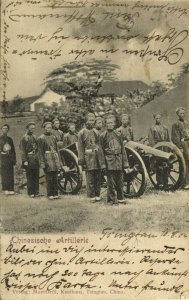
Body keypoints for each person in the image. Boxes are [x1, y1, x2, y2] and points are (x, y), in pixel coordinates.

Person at [101, 115, 129, 205]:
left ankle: (121, 198)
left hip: (119, 160)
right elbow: (101, 152)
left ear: (114, 123)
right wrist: (103, 164)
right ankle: (111, 200)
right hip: (109, 161)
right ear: (106, 124)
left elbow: (123, 150)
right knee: (111, 183)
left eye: (111, 123)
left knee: (120, 181)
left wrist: (125, 164)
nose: (110, 124)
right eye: (108, 123)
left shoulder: (118, 134)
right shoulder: (102, 135)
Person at [78, 113, 106, 202]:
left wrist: (101, 160)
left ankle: (97, 194)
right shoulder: (81, 133)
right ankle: (91, 196)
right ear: (86, 121)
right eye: (89, 120)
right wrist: (82, 161)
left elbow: (100, 147)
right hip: (88, 158)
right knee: (90, 178)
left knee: (98, 177)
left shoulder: (96, 132)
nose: (91, 122)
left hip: (97, 157)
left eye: (93, 120)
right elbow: (80, 148)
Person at [37, 122, 61, 199]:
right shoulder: (41, 138)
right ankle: (50, 194)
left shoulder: (53, 137)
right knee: (49, 177)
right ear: (44, 128)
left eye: (50, 128)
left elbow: (57, 150)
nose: (48, 129)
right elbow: (40, 152)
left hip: (54, 158)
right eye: (47, 128)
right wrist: (42, 163)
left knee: (55, 177)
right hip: (47, 159)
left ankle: (55, 193)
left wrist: (59, 161)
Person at [148, 113, 170, 189]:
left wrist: (169, 149)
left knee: (166, 165)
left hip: (165, 148)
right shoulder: (152, 128)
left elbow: (168, 139)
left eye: (159, 118)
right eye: (156, 118)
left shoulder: (165, 128)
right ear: (154, 119)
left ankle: (166, 183)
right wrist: (154, 149)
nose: (158, 119)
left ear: (161, 119)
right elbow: (151, 140)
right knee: (159, 166)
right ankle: (160, 183)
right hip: (157, 148)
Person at [19, 122, 39, 198]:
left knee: (36, 175)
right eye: (31, 128)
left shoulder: (35, 136)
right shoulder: (24, 138)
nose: (32, 130)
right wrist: (25, 160)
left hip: (35, 158)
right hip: (29, 158)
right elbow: (22, 150)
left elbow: (37, 148)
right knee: (30, 176)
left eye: (33, 128)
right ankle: (31, 192)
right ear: (27, 128)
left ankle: (36, 192)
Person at [172, 107, 189, 189]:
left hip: (188, 144)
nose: (182, 115)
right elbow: (175, 138)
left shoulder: (186, 123)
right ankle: (184, 183)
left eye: (183, 113)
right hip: (182, 145)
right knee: (184, 164)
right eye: (180, 113)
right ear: (177, 114)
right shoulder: (175, 124)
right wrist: (179, 147)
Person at [0, 124, 16, 195]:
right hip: (3, 158)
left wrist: (14, 159)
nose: (5, 130)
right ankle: (5, 188)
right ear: (1, 129)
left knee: (10, 173)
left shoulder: (10, 139)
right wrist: (1, 153)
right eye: (4, 128)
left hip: (10, 158)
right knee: (4, 173)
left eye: (6, 128)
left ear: (8, 130)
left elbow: (13, 150)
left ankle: (11, 188)